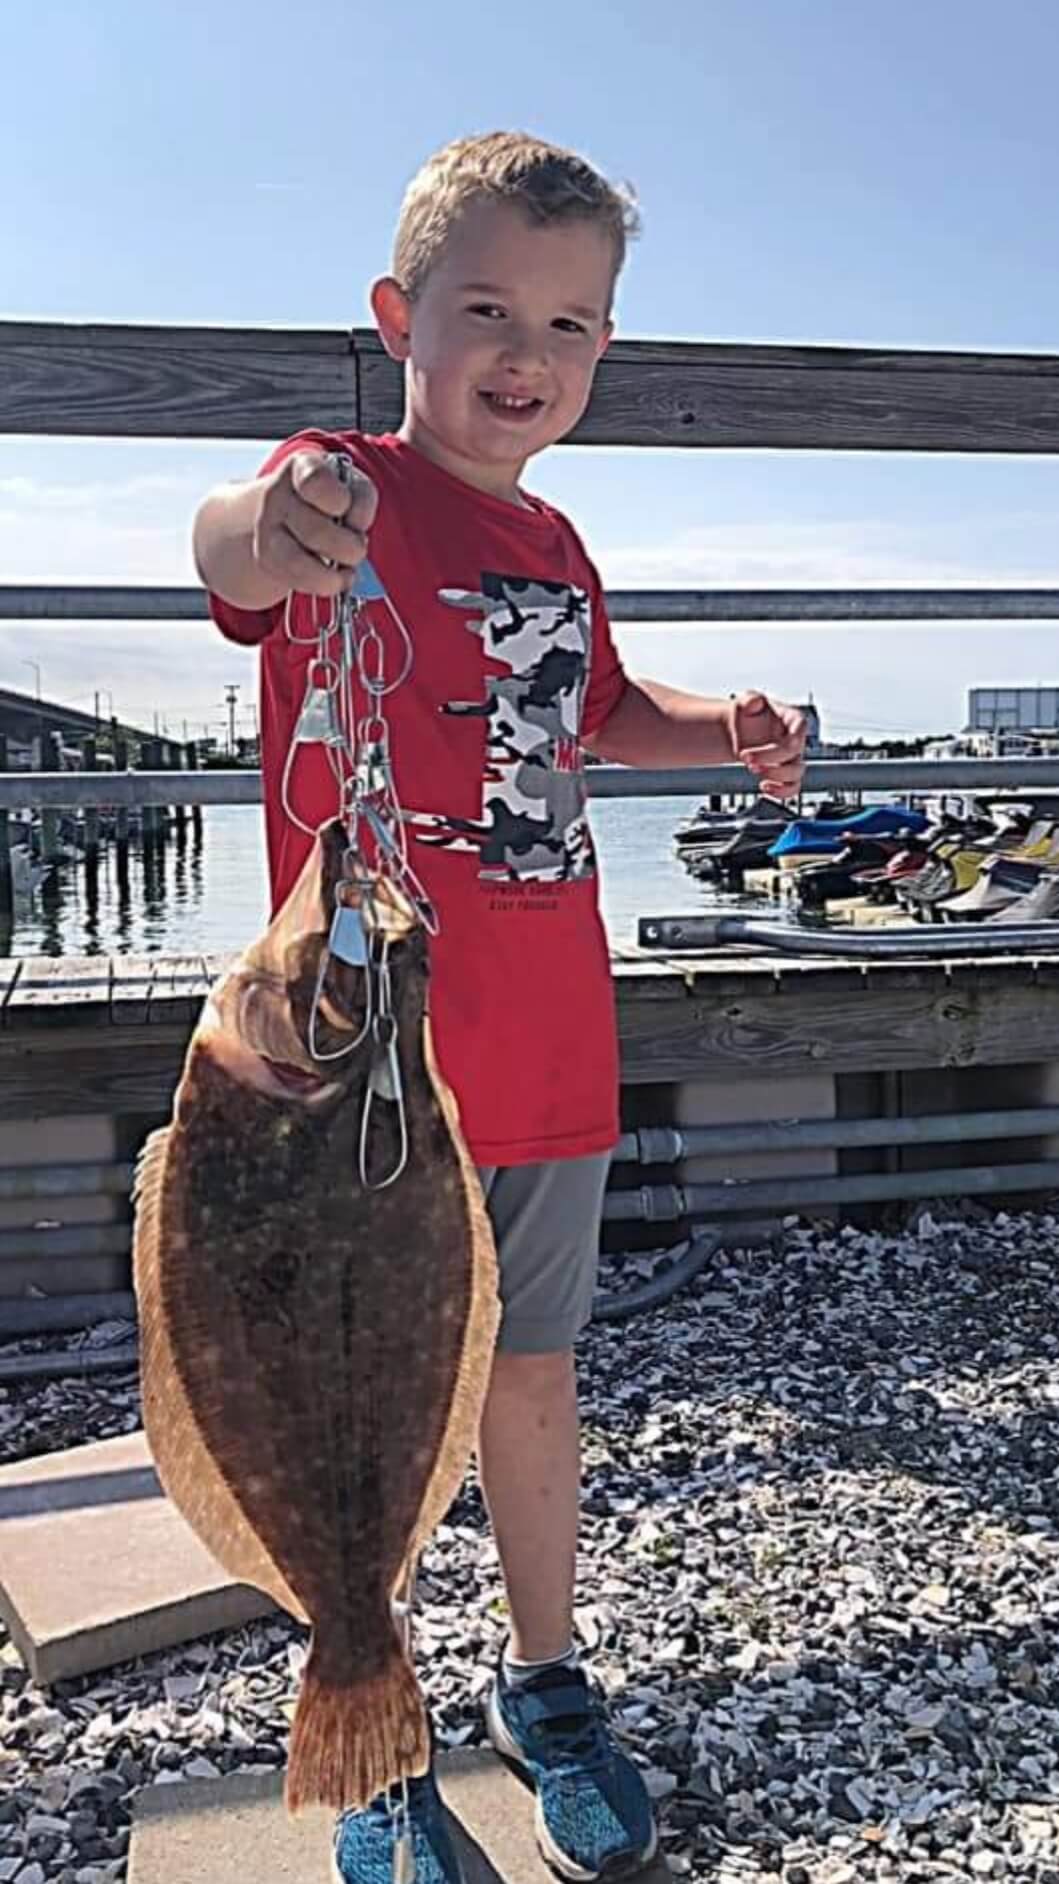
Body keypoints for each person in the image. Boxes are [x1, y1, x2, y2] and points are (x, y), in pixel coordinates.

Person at [192, 130, 806, 1884]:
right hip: (353, 1087)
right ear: (401, 318)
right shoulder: (343, 487)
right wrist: (266, 523)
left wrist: (727, 730)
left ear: (604, 347)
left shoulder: (556, 538)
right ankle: (373, 1717)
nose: (525, 352)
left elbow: (600, 709)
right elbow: (231, 555)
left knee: (531, 1388)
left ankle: (545, 1683)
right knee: (354, 1401)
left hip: (546, 1058)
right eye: (484, 310)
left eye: (570, 320)